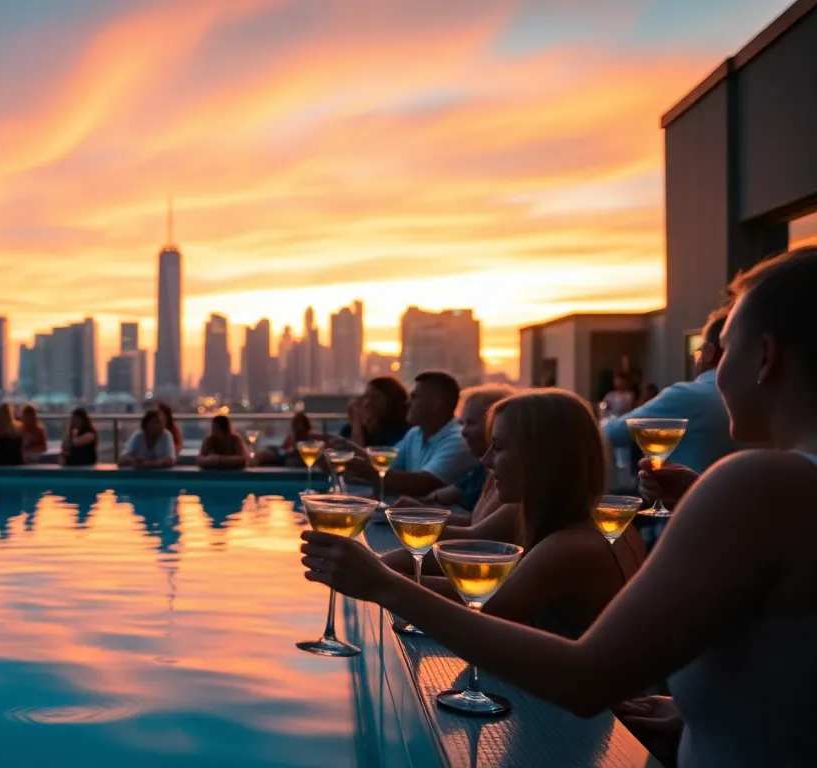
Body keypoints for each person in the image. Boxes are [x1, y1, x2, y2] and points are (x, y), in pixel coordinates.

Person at [300, 246, 817, 766]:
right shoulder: (775, 490)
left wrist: (385, 586)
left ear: (766, 357)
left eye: (723, 352)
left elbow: (583, 680)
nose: (713, 373)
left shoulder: (760, 483)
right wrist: (701, 715)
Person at [383, 389, 645, 637]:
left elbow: (487, 607)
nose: (485, 461)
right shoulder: (595, 522)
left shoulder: (572, 547)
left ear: (540, 456)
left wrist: (380, 577)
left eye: (497, 447)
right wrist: (390, 565)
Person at [603, 308, 738, 475]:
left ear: (708, 353)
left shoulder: (687, 395)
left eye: (698, 352)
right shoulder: (760, 398)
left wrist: (602, 420)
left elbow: (613, 434)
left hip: (688, 500)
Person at [394, 384, 514, 522]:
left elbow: (477, 529)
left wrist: (413, 522)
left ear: (496, 426)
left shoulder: (506, 477)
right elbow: (444, 497)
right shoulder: (482, 470)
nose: (463, 432)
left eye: (471, 423)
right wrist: (419, 508)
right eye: (462, 423)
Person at [351, 371, 476, 496]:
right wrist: (350, 451)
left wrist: (359, 462)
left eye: (414, 397)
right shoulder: (415, 433)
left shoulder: (459, 440)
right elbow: (385, 463)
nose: (407, 402)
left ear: (436, 403)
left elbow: (422, 485)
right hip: (415, 511)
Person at [341, 377, 411, 448]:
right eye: (366, 396)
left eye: (375, 397)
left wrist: (357, 426)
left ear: (391, 402)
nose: (367, 403)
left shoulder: (403, 433)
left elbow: (358, 456)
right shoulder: (349, 430)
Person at [257, 411, 326, 466]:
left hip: (289, 459)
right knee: (264, 454)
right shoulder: (292, 437)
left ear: (305, 425)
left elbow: (324, 441)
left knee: (267, 456)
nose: (296, 426)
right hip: (284, 456)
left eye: (299, 423)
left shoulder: (311, 436)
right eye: (295, 423)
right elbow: (282, 449)